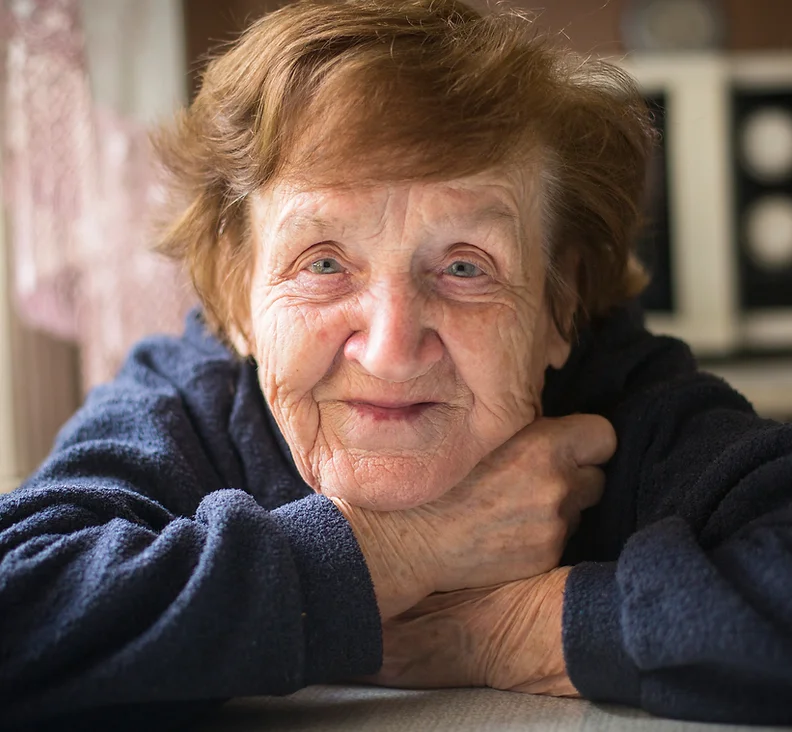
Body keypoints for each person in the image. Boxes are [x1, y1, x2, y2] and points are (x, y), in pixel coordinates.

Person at [1, 0, 791, 729]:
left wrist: (506, 634)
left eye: (464, 267)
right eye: (322, 263)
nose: (389, 347)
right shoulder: (184, 401)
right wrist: (402, 550)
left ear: (559, 304)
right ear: (237, 297)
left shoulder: (626, 403)